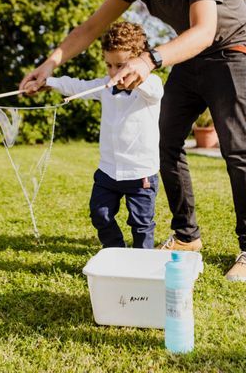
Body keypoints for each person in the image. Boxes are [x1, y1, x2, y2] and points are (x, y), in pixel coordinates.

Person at [21, 0, 246, 282]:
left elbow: (204, 30)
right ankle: (187, 236)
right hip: (191, 55)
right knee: (165, 143)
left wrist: (149, 59)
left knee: (236, 148)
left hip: (231, 52)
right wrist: (49, 65)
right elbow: (91, 27)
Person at [30, 22, 163, 249]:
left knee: (141, 224)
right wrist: (49, 82)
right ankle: (114, 252)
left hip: (140, 174)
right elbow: (76, 86)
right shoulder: (105, 86)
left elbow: (153, 89)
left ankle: (142, 260)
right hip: (108, 171)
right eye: (109, 65)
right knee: (100, 215)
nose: (113, 72)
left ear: (136, 61)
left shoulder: (151, 87)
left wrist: (137, 74)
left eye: (120, 65)